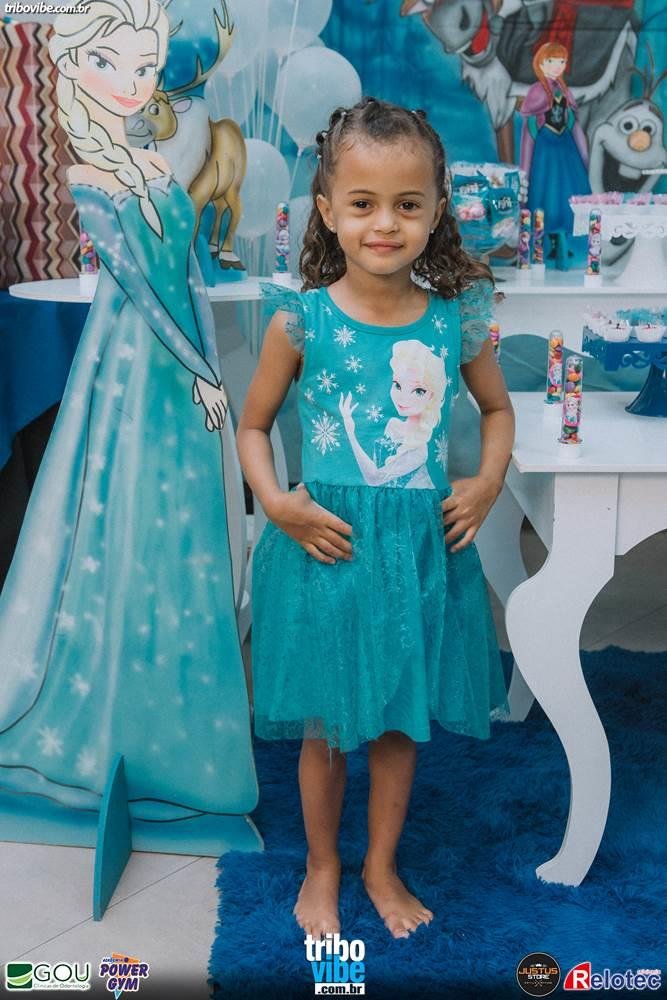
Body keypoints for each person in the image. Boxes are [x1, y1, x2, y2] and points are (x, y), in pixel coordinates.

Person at [237, 98, 514, 941]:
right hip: (326, 547)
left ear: (437, 211)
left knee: (398, 723)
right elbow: (251, 426)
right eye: (362, 203)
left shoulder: (456, 318)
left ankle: (380, 865)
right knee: (326, 727)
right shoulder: (300, 319)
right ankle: (322, 866)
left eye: (406, 204)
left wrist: (486, 482)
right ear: (327, 210)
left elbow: (496, 411)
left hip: (417, 554)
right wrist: (276, 502)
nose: (384, 223)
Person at [0, 0, 257, 824]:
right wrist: (199, 369)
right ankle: (107, 702)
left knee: (173, 523)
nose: (131, 83)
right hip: (136, 362)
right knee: (118, 516)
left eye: (143, 67)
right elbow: (142, 289)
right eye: (111, 64)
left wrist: (204, 365)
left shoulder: (153, 163)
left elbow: (183, 275)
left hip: (177, 359)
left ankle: (167, 702)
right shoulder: (94, 177)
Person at [520, 41, 591, 242]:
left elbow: (572, 123)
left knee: (568, 190)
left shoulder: (565, 90)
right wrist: (525, 167)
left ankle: (564, 239)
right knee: (546, 190)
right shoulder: (536, 91)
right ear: (541, 64)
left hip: (566, 147)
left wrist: (584, 154)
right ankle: (547, 238)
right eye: (551, 61)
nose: (557, 66)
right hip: (545, 149)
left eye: (561, 61)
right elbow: (530, 128)